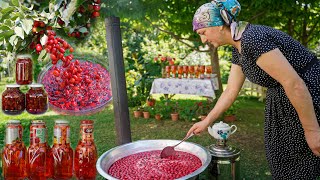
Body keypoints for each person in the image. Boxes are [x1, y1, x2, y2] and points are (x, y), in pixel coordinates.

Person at [186, 0, 320, 178]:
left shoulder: (252, 39)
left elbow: (294, 84)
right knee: (284, 164)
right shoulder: (238, 46)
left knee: (299, 165)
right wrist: (207, 121)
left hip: (307, 95)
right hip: (283, 102)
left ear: (219, 25)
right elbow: (230, 91)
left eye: (203, 32)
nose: (203, 39)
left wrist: (312, 131)